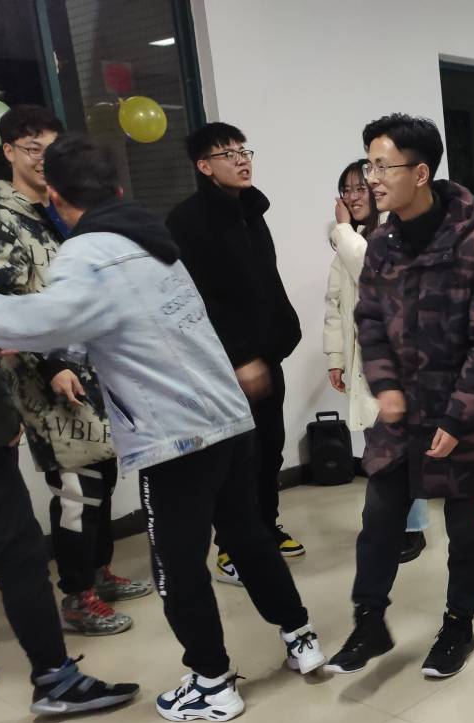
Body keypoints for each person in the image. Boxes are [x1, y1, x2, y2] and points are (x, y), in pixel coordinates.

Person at [0, 133, 326, 723]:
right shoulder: (154, 242)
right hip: (228, 419)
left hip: (175, 437)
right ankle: (301, 638)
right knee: (248, 536)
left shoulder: (86, 253)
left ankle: (212, 684)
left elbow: (40, 321)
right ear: (119, 190)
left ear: (56, 198)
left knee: (177, 565)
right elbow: (127, 323)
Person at [322, 114, 474, 679]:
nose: (372, 179)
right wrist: (385, 387)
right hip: (400, 418)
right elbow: (370, 322)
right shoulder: (382, 244)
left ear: (421, 173)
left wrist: (457, 419)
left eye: (383, 166)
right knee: (379, 520)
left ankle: (458, 625)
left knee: (465, 533)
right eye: (369, 166)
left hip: (466, 421)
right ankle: (369, 622)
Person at [0, 163, 139, 717]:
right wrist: (1, 416)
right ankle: (56, 679)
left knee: (94, 482)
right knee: (22, 551)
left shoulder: (43, 217)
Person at [166, 122, 305, 586]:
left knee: (270, 449)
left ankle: (264, 526)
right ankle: (232, 547)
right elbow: (199, 298)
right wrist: (240, 356)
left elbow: (264, 279)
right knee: (237, 462)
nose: (242, 160)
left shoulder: (250, 210)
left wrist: (282, 332)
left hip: (266, 356)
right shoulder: (187, 221)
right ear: (204, 166)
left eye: (244, 150)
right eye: (228, 153)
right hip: (226, 364)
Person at [324, 158, 427, 563]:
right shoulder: (346, 242)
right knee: (377, 445)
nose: (352, 196)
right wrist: (335, 357)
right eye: (346, 189)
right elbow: (334, 306)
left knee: (401, 449)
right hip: (361, 361)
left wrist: (342, 229)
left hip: (395, 362)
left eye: (359, 188)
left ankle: (412, 528)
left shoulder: (390, 232)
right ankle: (388, 524)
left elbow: (371, 269)